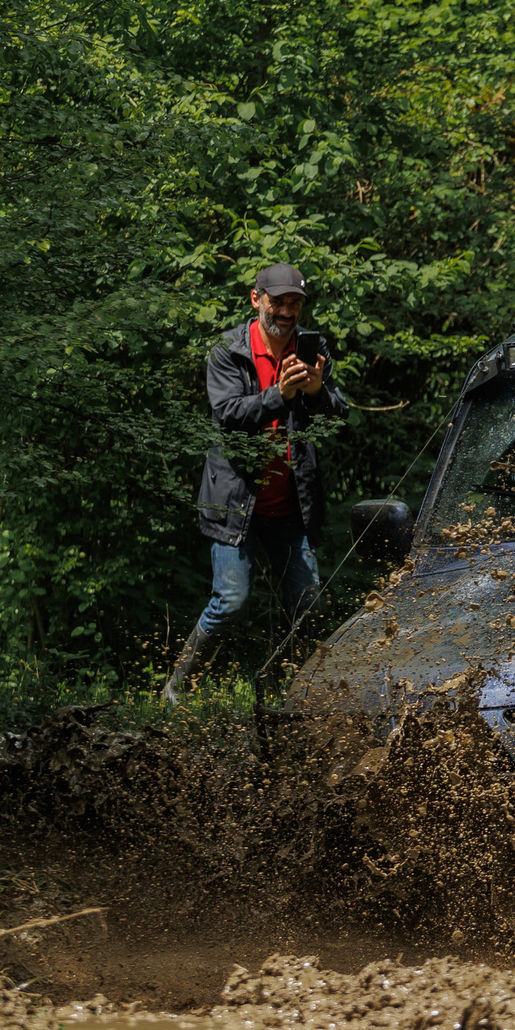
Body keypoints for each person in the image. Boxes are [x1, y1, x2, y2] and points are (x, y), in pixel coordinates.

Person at [166, 263, 346, 702]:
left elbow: (338, 414)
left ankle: (296, 698)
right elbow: (227, 414)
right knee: (230, 602)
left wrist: (317, 392)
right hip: (235, 501)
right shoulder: (228, 350)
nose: (286, 311)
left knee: (308, 606)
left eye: (294, 303)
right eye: (278, 301)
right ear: (256, 299)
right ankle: (176, 691)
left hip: (291, 504)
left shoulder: (312, 347)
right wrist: (279, 395)